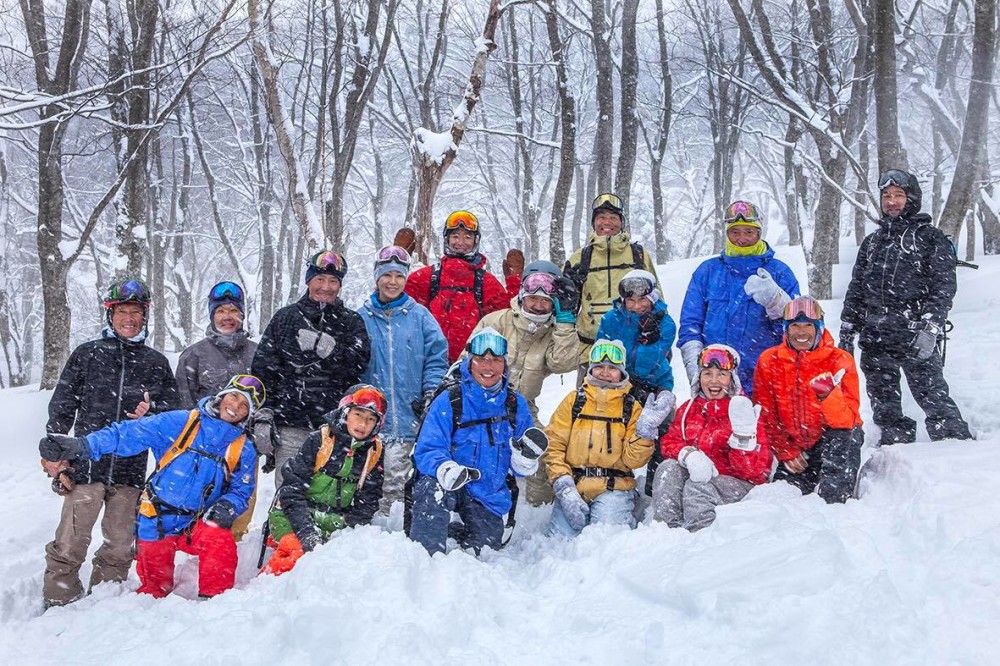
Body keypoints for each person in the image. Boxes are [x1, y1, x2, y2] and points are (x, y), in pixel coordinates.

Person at [40, 375, 261, 599]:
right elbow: (128, 434)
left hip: (198, 522)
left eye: (244, 406)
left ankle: (216, 602)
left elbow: (241, 491)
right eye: (234, 397)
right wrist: (83, 445)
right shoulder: (182, 422)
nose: (235, 407)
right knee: (154, 591)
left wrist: (228, 506)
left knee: (219, 538)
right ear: (222, 396)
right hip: (158, 519)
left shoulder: (244, 448)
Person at [40, 278, 178, 609]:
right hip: (86, 467)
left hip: (130, 469)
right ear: (110, 314)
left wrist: (152, 411)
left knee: (120, 543)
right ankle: (59, 601)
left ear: (145, 316)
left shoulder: (156, 362)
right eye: (122, 312)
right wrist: (55, 456)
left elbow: (173, 415)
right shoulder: (87, 354)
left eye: (136, 312)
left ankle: (105, 604)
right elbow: (62, 406)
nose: (129, 319)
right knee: (70, 541)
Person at [840, 169, 972, 446]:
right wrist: (847, 329)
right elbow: (856, 289)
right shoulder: (873, 242)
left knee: (933, 396)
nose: (891, 201)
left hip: (914, 333)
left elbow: (943, 287)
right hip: (876, 336)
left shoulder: (930, 238)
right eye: (887, 196)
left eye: (898, 195)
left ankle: (955, 449)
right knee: (884, 402)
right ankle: (896, 448)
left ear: (911, 198)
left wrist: (931, 326)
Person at [409, 328, 546, 555]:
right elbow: (429, 448)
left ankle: (457, 531)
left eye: (496, 360)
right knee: (432, 489)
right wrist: (445, 468)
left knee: (483, 550)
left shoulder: (515, 404)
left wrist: (525, 460)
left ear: (504, 365)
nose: (488, 367)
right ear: (470, 362)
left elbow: (520, 465)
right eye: (481, 359)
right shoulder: (450, 400)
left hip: (487, 491)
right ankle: (426, 559)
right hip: (449, 482)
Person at [252, 250, 371, 487]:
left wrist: (331, 350)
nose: (326, 287)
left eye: (333, 281)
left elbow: (359, 365)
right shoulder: (285, 319)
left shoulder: (351, 322)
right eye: (320, 279)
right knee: (288, 492)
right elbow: (263, 370)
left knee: (328, 493)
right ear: (308, 281)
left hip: (335, 427)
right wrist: (263, 414)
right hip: (290, 424)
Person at [466, 259, 580, 505]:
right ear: (522, 295)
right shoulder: (497, 321)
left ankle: (537, 511)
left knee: (542, 451)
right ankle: (470, 503)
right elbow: (467, 362)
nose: (538, 305)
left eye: (545, 301)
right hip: (478, 403)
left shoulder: (553, 331)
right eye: (533, 298)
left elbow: (563, 363)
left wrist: (566, 322)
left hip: (522, 407)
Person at [358, 246, 448, 514]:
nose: (393, 282)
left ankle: (398, 538)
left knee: (401, 487)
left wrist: (430, 391)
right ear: (377, 278)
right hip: (371, 422)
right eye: (387, 275)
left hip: (411, 419)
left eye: (399, 276)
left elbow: (436, 357)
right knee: (371, 487)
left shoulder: (420, 316)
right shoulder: (361, 318)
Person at [677, 200, 800, 396]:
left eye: (749, 232)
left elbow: (799, 333)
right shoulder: (707, 272)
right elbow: (691, 326)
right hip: (718, 380)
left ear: (759, 233)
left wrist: (777, 303)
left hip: (765, 379)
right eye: (735, 232)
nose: (741, 238)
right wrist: (698, 372)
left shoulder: (779, 272)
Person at [262, 385, 388, 575]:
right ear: (345, 413)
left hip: (335, 521)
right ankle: (266, 588)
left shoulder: (374, 451)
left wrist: (351, 525)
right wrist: (306, 532)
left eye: (370, 419)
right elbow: (292, 490)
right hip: (291, 517)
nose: (363, 425)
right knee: (299, 556)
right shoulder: (319, 440)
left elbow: (369, 498)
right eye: (358, 415)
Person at [755, 297, 863, 503]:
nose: (801, 332)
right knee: (783, 499)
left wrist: (828, 395)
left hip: (836, 440)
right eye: (795, 325)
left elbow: (847, 421)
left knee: (833, 498)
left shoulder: (840, 360)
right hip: (797, 444)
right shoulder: (769, 361)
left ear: (819, 328)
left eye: (808, 326)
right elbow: (766, 414)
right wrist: (786, 450)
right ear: (786, 329)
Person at [652, 344, 771, 531]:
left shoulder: (743, 412)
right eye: (707, 374)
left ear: (732, 379)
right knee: (668, 469)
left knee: (697, 486)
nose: (713, 381)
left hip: (736, 484)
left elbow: (756, 473)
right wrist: (687, 454)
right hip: (698, 481)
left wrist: (742, 443)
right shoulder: (689, 409)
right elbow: (669, 442)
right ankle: (667, 531)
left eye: (721, 374)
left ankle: (700, 537)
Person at [176, 281, 261, 541]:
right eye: (221, 311)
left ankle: (230, 549)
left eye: (234, 311)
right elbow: (183, 402)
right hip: (204, 447)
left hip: (244, 447)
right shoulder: (194, 355)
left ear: (243, 316)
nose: (228, 317)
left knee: (237, 504)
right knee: (196, 504)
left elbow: (268, 399)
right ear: (212, 315)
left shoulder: (257, 355)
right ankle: (188, 554)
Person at [544, 339, 654, 536]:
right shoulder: (574, 401)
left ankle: (629, 509)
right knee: (559, 543)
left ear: (622, 371)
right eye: (599, 367)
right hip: (574, 486)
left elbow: (633, 460)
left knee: (604, 541)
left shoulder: (631, 407)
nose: (605, 372)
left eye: (612, 368)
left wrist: (644, 435)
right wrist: (564, 486)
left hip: (614, 488)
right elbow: (554, 445)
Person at [404, 211, 522, 363]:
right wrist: (396, 262)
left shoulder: (486, 282)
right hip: (429, 364)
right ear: (447, 239)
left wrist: (515, 283)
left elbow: (510, 319)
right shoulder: (428, 277)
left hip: (473, 366)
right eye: (455, 236)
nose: (461, 242)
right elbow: (396, 301)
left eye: (467, 237)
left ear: (475, 241)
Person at [564, 194, 660, 371]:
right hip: (591, 349)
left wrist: (658, 336)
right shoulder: (580, 257)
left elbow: (657, 298)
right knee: (588, 398)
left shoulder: (638, 255)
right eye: (601, 217)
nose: (607, 222)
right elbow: (565, 308)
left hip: (633, 347)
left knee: (633, 398)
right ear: (594, 223)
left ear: (621, 222)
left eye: (613, 218)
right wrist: (571, 289)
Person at [596, 269, 677, 403]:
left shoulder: (666, 324)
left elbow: (645, 369)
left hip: (654, 384)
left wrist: (648, 342)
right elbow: (601, 356)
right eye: (631, 300)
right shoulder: (611, 319)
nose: (637, 306)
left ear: (652, 299)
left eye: (642, 299)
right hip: (617, 381)